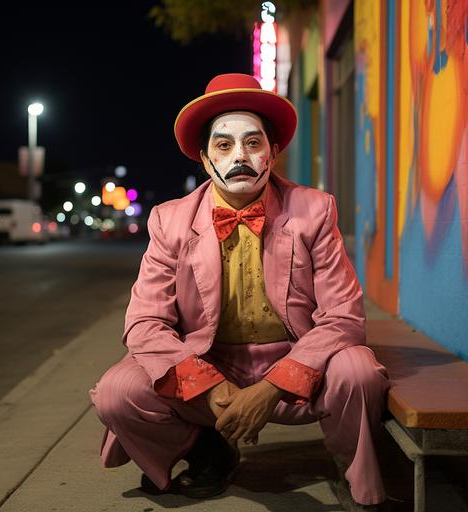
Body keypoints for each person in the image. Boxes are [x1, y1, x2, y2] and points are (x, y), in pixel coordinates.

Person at [89, 73, 390, 511]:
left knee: (358, 372)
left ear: (274, 151)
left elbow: (343, 315)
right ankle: (206, 450)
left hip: (296, 360)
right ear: (204, 158)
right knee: (118, 392)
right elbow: (144, 323)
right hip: (208, 362)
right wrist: (207, 386)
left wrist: (273, 385)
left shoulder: (315, 210)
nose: (240, 156)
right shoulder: (168, 220)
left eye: (253, 143)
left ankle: (350, 469)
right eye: (224, 145)